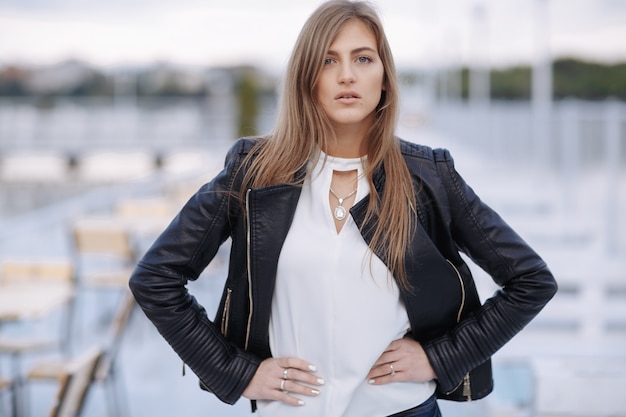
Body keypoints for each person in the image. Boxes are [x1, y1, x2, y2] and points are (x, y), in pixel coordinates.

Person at [129, 1, 558, 416]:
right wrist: (236, 372)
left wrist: (439, 359)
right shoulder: (254, 172)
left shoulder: (429, 176)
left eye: (364, 59)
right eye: (328, 61)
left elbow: (531, 281)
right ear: (305, 78)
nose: (347, 75)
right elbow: (156, 278)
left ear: (385, 77)